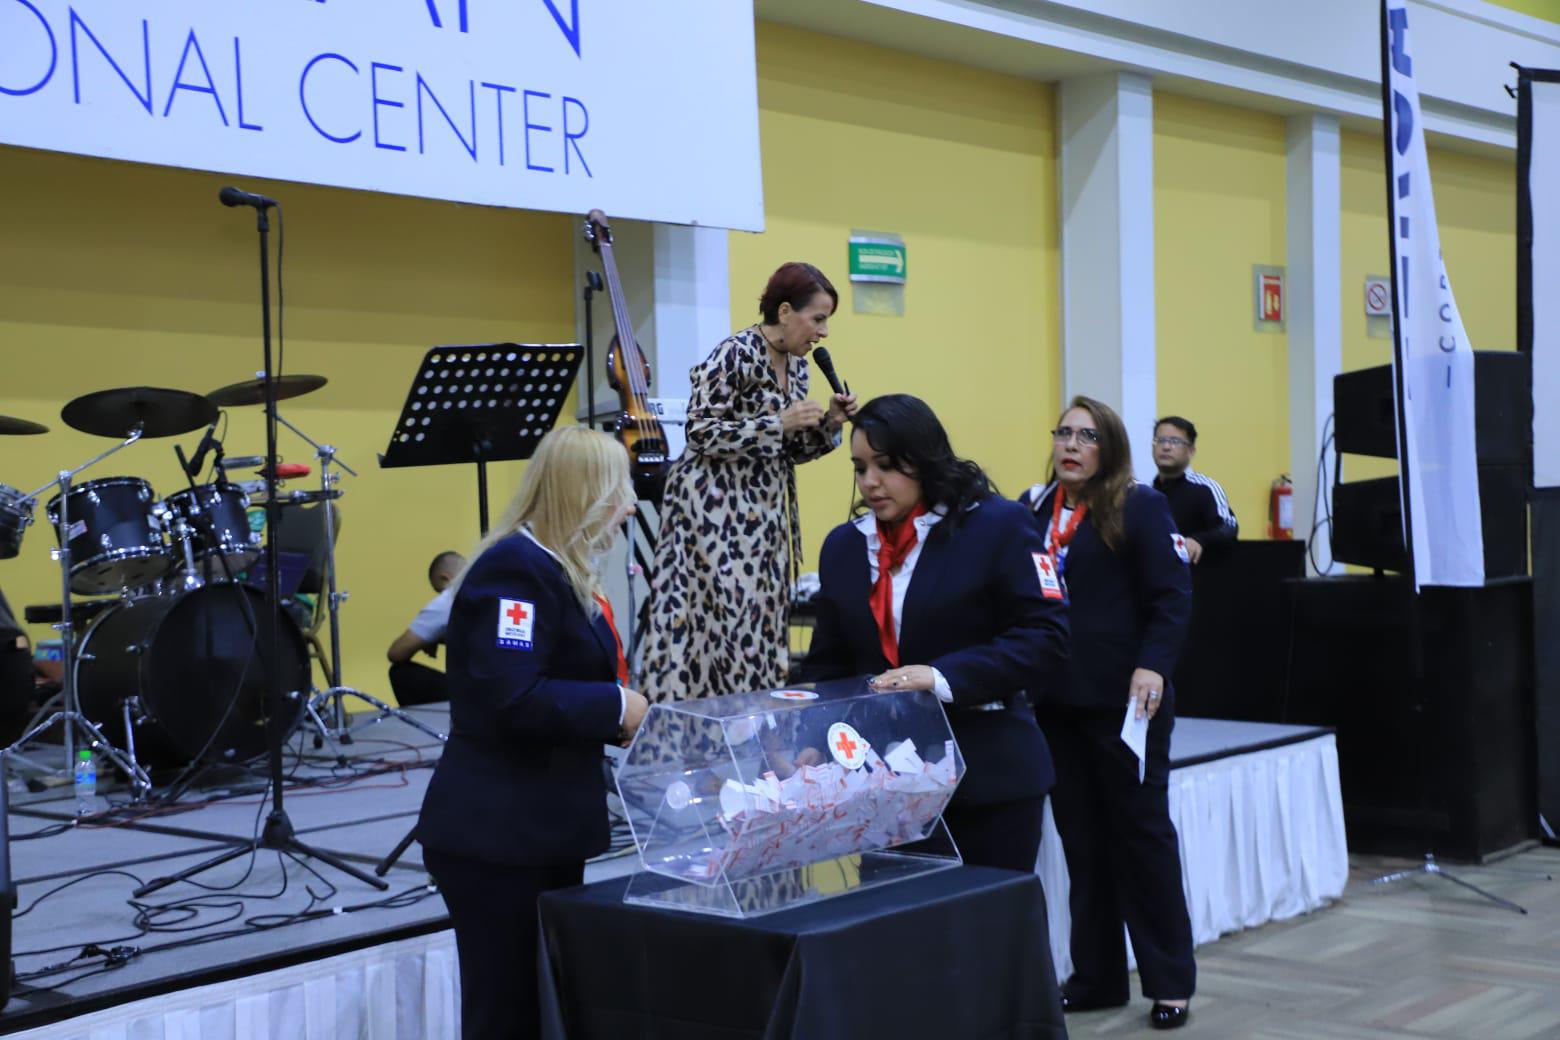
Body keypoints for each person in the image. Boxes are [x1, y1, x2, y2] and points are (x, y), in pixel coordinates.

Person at [416, 427, 650, 1040]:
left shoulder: (551, 569)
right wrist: (614, 705)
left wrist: (610, 713)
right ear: (584, 492)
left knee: (536, 1006)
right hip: (496, 836)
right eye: (619, 490)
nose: (630, 505)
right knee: (505, 1013)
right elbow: (511, 696)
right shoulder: (516, 572)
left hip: (536, 828)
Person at [799, 394, 1070, 874]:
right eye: (860, 468)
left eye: (885, 466)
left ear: (924, 460)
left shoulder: (997, 525)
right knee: (895, 938)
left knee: (985, 939)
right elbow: (829, 662)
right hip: (886, 784)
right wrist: (812, 738)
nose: (870, 482)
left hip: (988, 777)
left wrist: (942, 677)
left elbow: (1044, 637)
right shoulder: (845, 547)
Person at [1018, 396, 1196, 1031]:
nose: (1070, 444)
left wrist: (1154, 664)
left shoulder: (1139, 504)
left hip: (1129, 703)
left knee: (1141, 839)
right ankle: (1095, 978)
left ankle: (1170, 981)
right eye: (1063, 431)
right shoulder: (1034, 509)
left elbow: (1172, 596)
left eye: (1085, 435)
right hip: (1057, 704)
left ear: (1109, 447)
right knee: (1081, 844)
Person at [640, 262, 859, 702]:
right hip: (711, 519)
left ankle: (757, 732)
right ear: (784, 311)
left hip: (763, 522)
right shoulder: (735, 353)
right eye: (818, 319)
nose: (823, 333)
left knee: (760, 627)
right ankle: (710, 738)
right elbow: (699, 431)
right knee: (717, 631)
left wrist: (830, 424)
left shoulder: (797, 368)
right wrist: (776, 423)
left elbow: (788, 453)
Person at [1150, 416, 1238, 564]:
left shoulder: (1205, 488)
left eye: (1175, 441)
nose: (1166, 447)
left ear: (1191, 451)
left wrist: (1199, 540)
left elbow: (1229, 528)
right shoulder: (1147, 492)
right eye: (1161, 440)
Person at [386, 551, 465, 706]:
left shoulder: (448, 599)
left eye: (439, 589)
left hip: (476, 696)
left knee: (400, 673)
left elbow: (396, 653)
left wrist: (430, 637)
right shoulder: (497, 587)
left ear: (445, 578)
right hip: (513, 690)